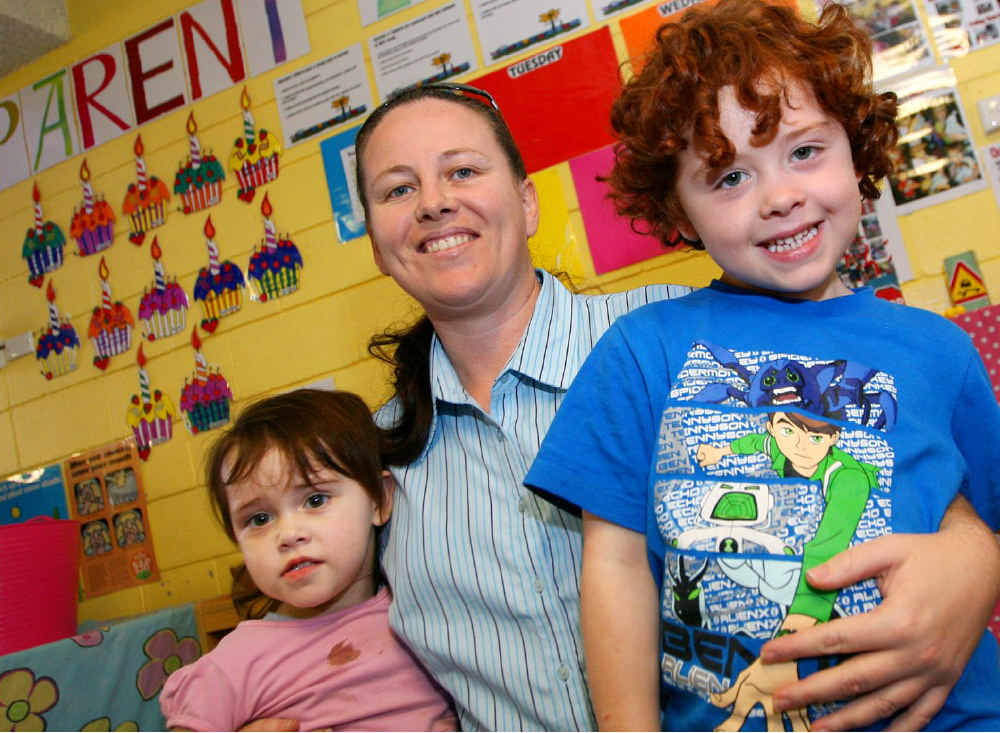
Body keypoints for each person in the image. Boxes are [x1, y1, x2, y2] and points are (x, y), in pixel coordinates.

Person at [349, 82, 1000, 732]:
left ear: (527, 203)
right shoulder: (360, 461)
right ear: (375, 244)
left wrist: (975, 560)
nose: (434, 202)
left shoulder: (691, 340)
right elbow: (337, 637)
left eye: (461, 170)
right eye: (398, 188)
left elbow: (908, 450)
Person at [523, 1, 1000, 729]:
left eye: (804, 151)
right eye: (728, 179)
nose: (780, 197)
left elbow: (984, 531)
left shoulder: (941, 350)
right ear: (677, 210)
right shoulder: (639, 350)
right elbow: (616, 566)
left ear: (854, 146)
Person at [159, 389, 457, 732]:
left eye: (315, 500)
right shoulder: (235, 664)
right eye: (258, 519)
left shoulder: (424, 616)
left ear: (379, 499)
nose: (288, 534)